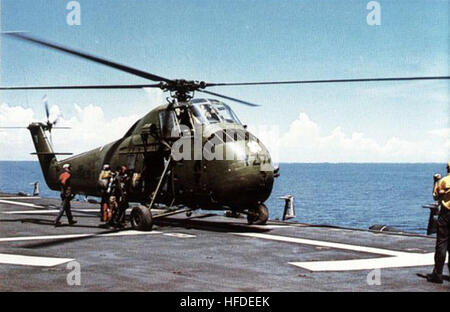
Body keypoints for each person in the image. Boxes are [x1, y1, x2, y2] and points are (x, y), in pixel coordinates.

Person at [427, 162, 450, 284]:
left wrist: (435, 181)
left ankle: (438, 274)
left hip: (446, 214)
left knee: (442, 244)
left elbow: (435, 196)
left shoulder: (443, 181)